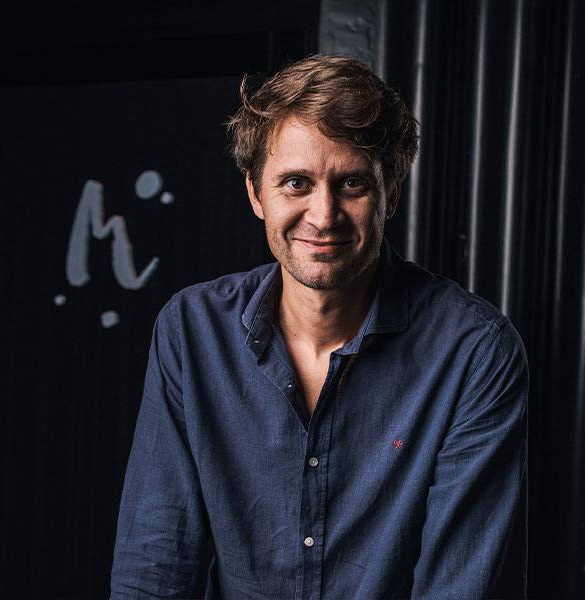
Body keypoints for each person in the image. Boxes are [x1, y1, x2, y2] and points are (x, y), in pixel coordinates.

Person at [110, 54, 528, 600]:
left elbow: (461, 587)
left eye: (352, 183)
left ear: (392, 193)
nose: (324, 215)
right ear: (256, 194)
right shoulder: (191, 331)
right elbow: (155, 566)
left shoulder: (474, 351)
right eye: (296, 183)